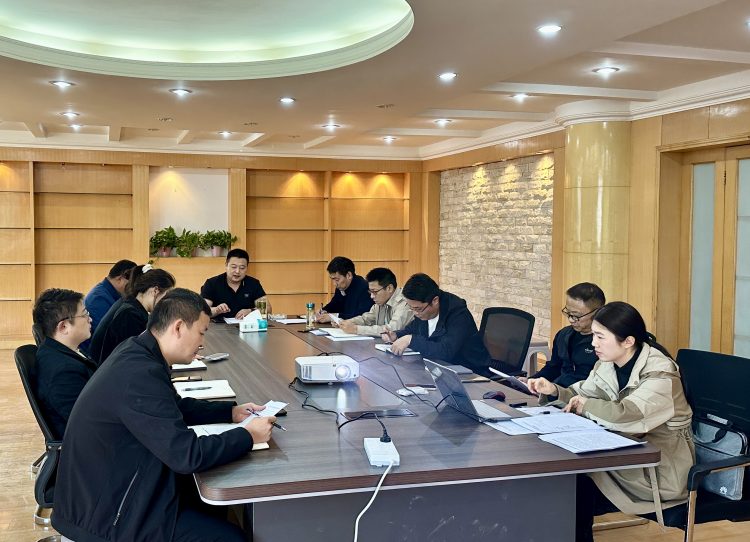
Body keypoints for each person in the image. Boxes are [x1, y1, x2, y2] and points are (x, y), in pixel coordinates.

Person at [52, 288, 275, 542]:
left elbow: (173, 407)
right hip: (108, 517)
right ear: (178, 327)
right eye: (201, 332)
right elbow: (187, 455)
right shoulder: (139, 374)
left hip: (117, 488)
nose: (202, 342)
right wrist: (247, 436)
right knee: (231, 538)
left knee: (209, 504)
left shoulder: (139, 351)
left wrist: (230, 412)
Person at [527, 301, 694, 542]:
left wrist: (585, 405)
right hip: (623, 455)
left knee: (571, 486)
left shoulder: (661, 375)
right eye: (594, 335)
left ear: (628, 341)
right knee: (560, 482)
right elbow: (582, 393)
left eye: (600, 337)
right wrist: (554, 390)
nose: (593, 343)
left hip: (658, 470)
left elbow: (627, 415)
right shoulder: (608, 364)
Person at [381, 273, 489, 372]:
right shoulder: (424, 311)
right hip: (440, 369)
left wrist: (411, 340)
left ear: (435, 301)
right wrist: (396, 335)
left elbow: (445, 351)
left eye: (418, 309)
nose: (415, 313)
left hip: (470, 373)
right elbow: (412, 329)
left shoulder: (458, 314)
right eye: (411, 308)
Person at [32, 288, 97, 438]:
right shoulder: (62, 372)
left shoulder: (62, 351)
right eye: (85, 314)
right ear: (64, 327)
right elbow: (89, 424)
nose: (90, 319)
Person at [90, 264, 175, 364]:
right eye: (166, 297)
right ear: (155, 291)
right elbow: (137, 357)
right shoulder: (130, 315)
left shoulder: (129, 304)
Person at [524, 282, 605, 386]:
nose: (570, 319)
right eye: (568, 313)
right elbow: (553, 368)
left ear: (597, 312)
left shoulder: (604, 343)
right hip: (556, 391)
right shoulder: (564, 335)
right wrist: (530, 381)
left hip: (581, 394)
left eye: (576, 316)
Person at [336, 267, 413, 336]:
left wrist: (356, 329)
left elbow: (392, 330)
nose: (372, 296)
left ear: (389, 288)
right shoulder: (381, 301)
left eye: (375, 292)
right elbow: (366, 319)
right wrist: (347, 323)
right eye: (370, 292)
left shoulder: (405, 302)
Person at [200, 248, 269, 319]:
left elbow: (267, 309)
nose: (237, 271)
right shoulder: (212, 283)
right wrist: (216, 310)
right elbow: (202, 311)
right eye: (234, 267)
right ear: (226, 265)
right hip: (219, 325)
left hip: (247, 325)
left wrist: (250, 311)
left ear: (247, 268)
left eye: (242, 268)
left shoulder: (253, 284)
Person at [84, 259, 137, 335]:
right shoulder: (98, 299)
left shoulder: (109, 294)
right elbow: (109, 334)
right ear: (120, 279)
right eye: (132, 284)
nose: (133, 288)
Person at [317, 256, 373, 322]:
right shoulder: (341, 286)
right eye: (332, 279)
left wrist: (334, 317)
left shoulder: (364, 288)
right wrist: (324, 310)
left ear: (349, 275)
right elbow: (335, 304)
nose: (334, 284)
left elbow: (361, 317)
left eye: (337, 279)